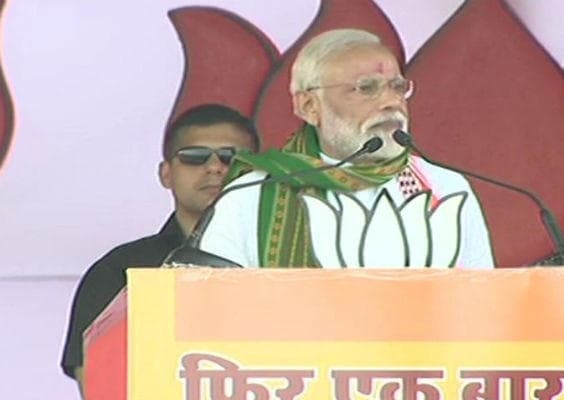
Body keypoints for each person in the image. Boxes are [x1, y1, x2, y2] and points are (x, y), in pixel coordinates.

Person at [198, 29, 494, 268]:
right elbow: (218, 306)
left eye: (397, 87)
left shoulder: (446, 189)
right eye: (366, 88)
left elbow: (481, 300)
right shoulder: (250, 196)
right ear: (309, 106)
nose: (391, 102)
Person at [60, 103, 260, 397]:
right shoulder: (123, 270)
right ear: (166, 174)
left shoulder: (293, 260)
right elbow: (99, 382)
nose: (215, 167)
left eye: (233, 158)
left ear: (260, 174)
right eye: (194, 157)